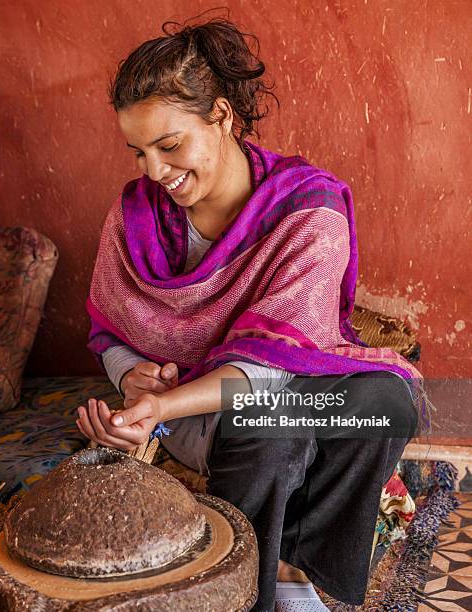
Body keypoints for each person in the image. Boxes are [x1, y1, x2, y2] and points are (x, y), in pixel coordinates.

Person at [77, 17, 423, 611]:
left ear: (221, 115)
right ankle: (262, 590)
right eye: (138, 151)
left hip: (271, 393)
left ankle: (291, 567)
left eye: (169, 145)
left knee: (386, 402)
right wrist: (131, 376)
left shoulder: (308, 210)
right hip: (199, 414)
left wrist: (159, 401)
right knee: (272, 428)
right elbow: (110, 330)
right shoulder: (134, 216)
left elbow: (271, 367)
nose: (154, 172)